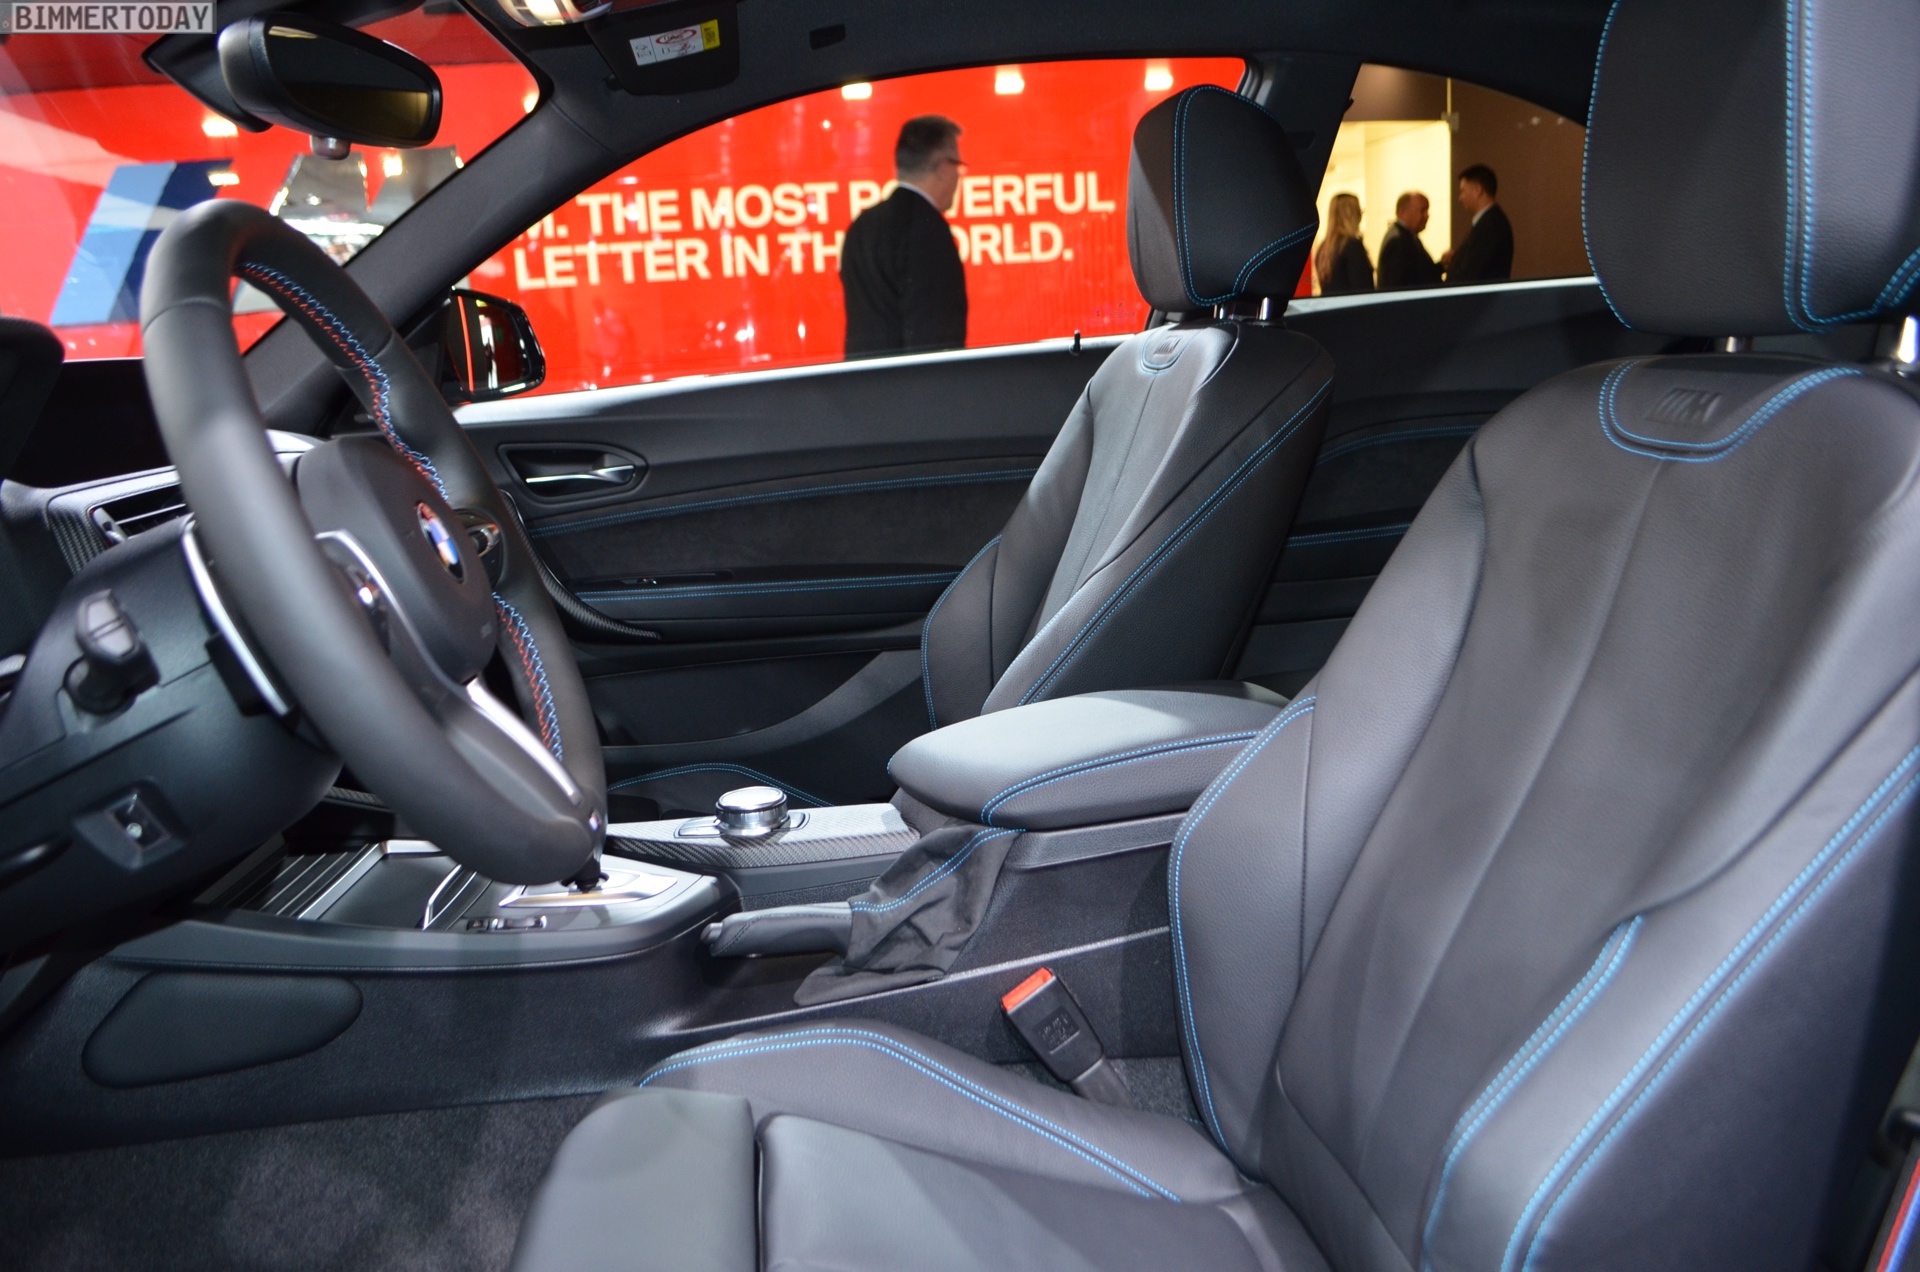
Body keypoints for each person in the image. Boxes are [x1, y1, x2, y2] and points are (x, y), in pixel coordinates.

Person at [840, 115, 968, 357]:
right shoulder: (929, 232)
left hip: (864, 378)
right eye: (958, 166)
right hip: (914, 379)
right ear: (943, 167)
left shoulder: (862, 226)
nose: (959, 176)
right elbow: (935, 337)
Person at [1443, 163, 1513, 284]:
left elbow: (1472, 273)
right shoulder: (1489, 222)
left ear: (1477, 190)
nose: (1460, 198)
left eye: (1463, 191)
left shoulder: (1490, 226)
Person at [1375, 191, 1443, 289]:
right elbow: (1396, 284)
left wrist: (1441, 265)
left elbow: (1418, 274)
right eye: (1423, 210)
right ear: (1403, 211)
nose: (1427, 215)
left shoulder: (1406, 237)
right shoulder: (1398, 241)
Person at [1313, 193, 1373, 295]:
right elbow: (1362, 289)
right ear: (1352, 215)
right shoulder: (1352, 246)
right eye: (1359, 212)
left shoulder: (1323, 248)